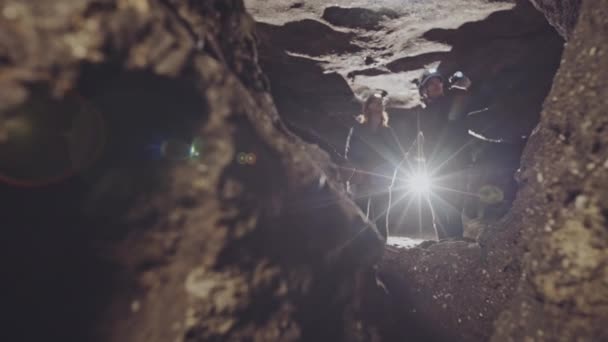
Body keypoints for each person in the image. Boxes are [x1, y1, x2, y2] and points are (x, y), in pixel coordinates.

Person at [416, 68, 474, 239]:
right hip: (437, 166)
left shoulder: (454, 100)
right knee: (439, 207)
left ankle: (455, 245)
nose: (436, 86)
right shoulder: (424, 113)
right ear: (424, 91)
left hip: (458, 163)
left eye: (437, 82)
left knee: (455, 207)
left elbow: (468, 88)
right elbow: (430, 136)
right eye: (430, 84)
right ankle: (443, 246)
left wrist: (459, 80)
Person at [344, 92, 402, 240]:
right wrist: (356, 172)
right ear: (368, 106)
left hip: (381, 179)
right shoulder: (358, 129)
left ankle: (382, 250)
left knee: (381, 218)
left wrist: (387, 172)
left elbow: (398, 155)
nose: (378, 104)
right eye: (375, 101)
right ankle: (360, 250)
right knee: (361, 216)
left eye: (380, 102)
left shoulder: (388, 131)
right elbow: (349, 153)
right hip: (362, 177)